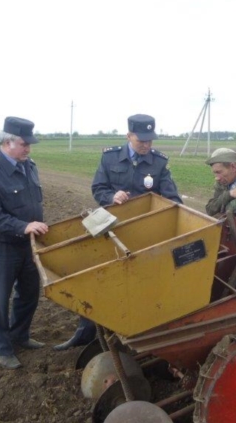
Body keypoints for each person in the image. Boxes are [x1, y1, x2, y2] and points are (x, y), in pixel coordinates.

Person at [54, 113, 182, 351]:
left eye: (150, 140)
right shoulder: (110, 157)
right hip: (112, 228)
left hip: (144, 233)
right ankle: (87, 330)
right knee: (98, 276)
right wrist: (111, 197)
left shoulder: (159, 163)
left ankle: (136, 327)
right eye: (141, 140)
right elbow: (98, 188)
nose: (146, 145)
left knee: (139, 281)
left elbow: (173, 198)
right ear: (128, 136)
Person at [0, 116, 49, 369]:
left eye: (30, 144)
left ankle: (20, 335)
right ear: (6, 142)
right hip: (1, 246)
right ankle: (2, 348)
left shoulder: (29, 165)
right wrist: (23, 226)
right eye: (24, 144)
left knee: (29, 294)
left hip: (30, 244)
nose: (28, 148)